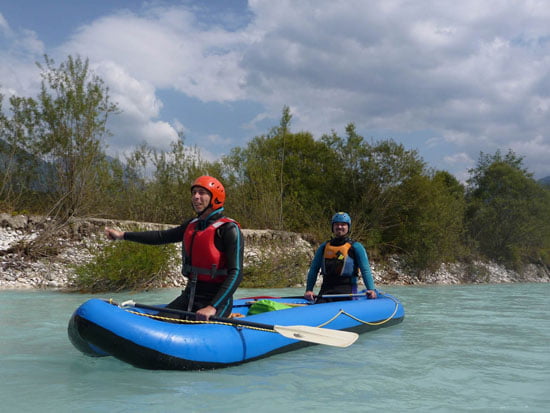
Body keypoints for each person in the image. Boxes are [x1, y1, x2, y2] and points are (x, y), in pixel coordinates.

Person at [105, 175, 244, 321]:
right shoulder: (192, 225)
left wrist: (212, 307)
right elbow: (161, 236)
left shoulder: (229, 229)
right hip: (190, 295)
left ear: (215, 198)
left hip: (217, 301)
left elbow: (236, 273)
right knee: (157, 322)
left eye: (201, 193)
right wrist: (122, 235)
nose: (196, 197)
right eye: (194, 193)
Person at [304, 212, 377, 303]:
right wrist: (309, 290)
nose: (339, 227)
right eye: (336, 224)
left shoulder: (356, 247)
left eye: (343, 224)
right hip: (326, 289)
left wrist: (371, 289)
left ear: (348, 227)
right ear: (332, 227)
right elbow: (314, 269)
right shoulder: (324, 247)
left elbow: (365, 270)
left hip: (348, 290)